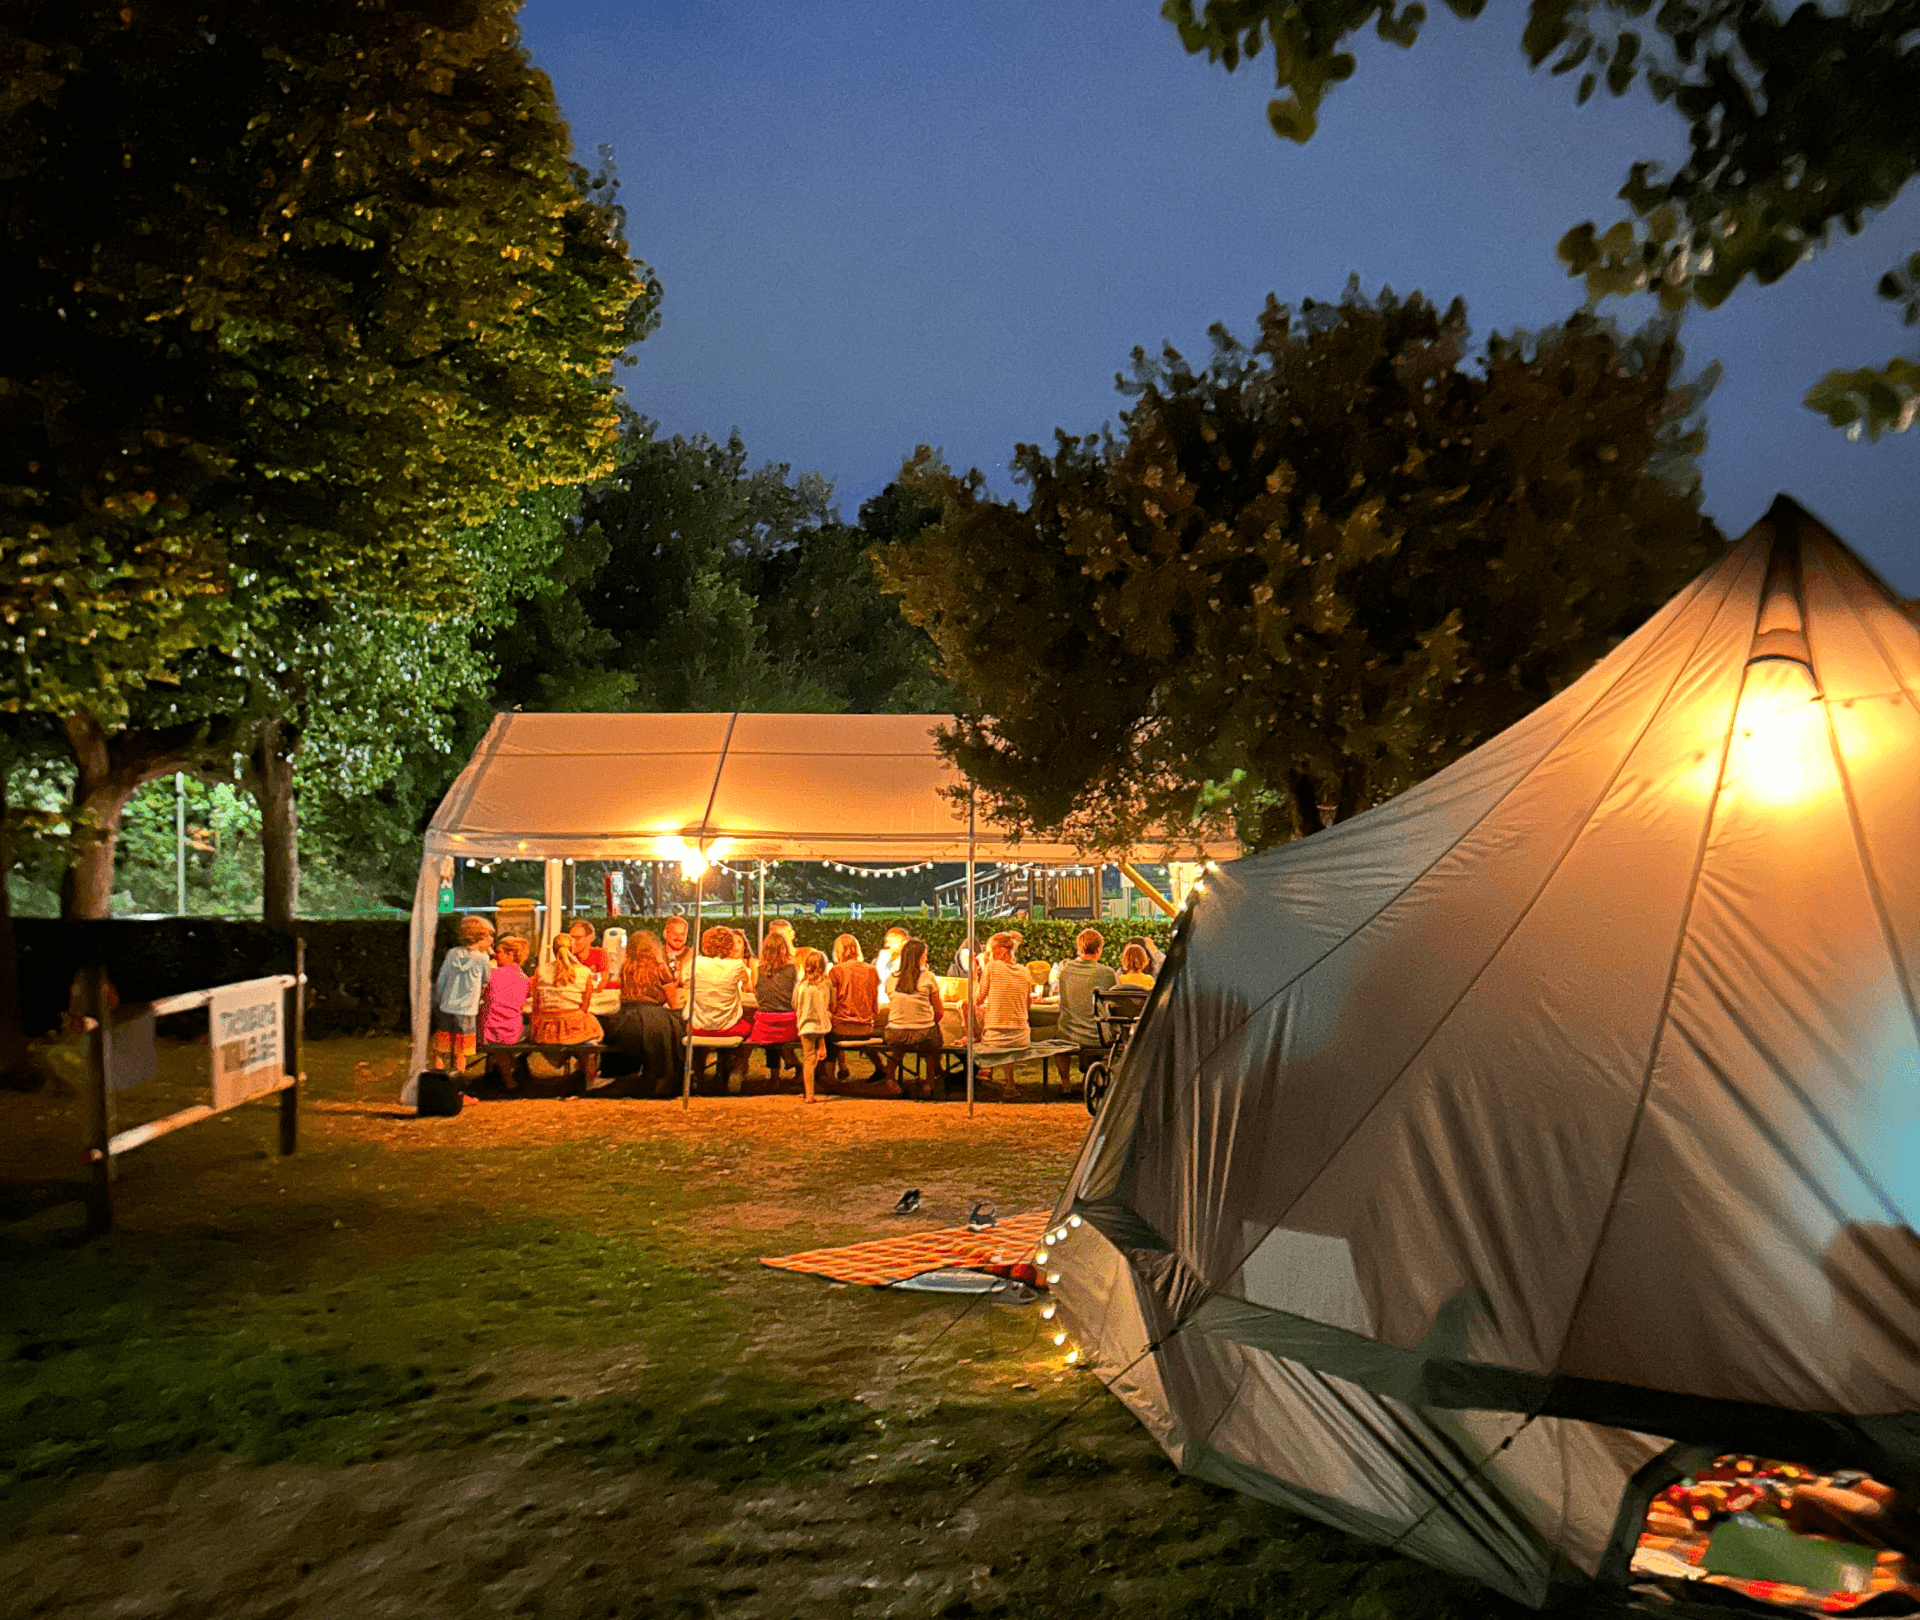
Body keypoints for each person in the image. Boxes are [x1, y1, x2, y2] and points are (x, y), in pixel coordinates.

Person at [600, 931, 685, 1094]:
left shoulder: (626, 967)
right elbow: (673, 1003)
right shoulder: (660, 967)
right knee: (679, 1022)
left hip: (626, 1018)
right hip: (654, 1017)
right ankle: (670, 1078)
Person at [530, 930, 602, 1086]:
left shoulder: (540, 970)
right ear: (573, 949)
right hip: (574, 1029)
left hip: (547, 1031)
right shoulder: (584, 972)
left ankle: (565, 1064)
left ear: (553, 950)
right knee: (593, 1030)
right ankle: (588, 1079)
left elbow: (536, 1004)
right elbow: (585, 1006)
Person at [687, 924, 754, 1091]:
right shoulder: (737, 966)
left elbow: (684, 980)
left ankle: (697, 1072)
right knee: (752, 1018)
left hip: (699, 1026)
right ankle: (738, 1068)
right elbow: (749, 986)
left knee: (691, 1020)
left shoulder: (695, 963)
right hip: (728, 1026)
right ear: (729, 946)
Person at [1051, 928, 1117, 1090]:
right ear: (1099, 950)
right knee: (1107, 1030)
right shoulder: (1107, 973)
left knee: (1059, 1041)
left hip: (1068, 1032)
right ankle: (1090, 1078)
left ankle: (1065, 1082)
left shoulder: (1065, 970)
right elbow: (1112, 1003)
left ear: (1079, 948)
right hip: (1097, 1034)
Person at [882, 936, 945, 1098]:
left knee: (897, 1046)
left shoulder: (891, 979)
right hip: (923, 1035)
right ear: (921, 957)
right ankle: (930, 1080)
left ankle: (890, 1078)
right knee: (933, 1041)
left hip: (895, 1034)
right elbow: (939, 1011)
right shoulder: (928, 978)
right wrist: (928, 1021)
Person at [431, 915, 494, 1071]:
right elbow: (486, 980)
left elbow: (442, 980)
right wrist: (488, 952)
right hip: (467, 1009)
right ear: (482, 937)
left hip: (447, 1005)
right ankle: (458, 1076)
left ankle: (438, 1073)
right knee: (461, 1050)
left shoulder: (452, 953)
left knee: (442, 1045)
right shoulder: (482, 959)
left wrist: (438, 999)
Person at [974, 931, 1031, 1099]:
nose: (987, 956)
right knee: (1007, 1026)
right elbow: (1028, 1005)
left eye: (990, 953)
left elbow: (977, 999)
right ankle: (1009, 1082)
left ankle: (982, 1067)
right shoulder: (1024, 971)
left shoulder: (992, 967)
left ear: (1002, 953)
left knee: (972, 1013)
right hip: (1021, 1037)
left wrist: (982, 972)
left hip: (995, 1036)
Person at [476, 935, 531, 1089]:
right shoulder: (524, 979)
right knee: (528, 1031)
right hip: (512, 1032)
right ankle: (513, 1072)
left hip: (487, 1032)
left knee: (496, 1032)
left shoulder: (491, 975)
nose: (495, 955)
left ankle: (509, 1077)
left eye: (498, 952)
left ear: (510, 955)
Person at [826, 934, 882, 1082]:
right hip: (866, 1028)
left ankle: (828, 1077)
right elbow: (875, 1007)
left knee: (825, 1036)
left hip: (841, 1028)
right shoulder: (872, 970)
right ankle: (881, 1068)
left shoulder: (836, 971)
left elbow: (833, 1006)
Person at [749, 931, 800, 1085]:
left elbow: (754, 992)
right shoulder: (793, 969)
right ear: (785, 949)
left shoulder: (758, 970)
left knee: (768, 1027)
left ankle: (774, 1076)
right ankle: (793, 1062)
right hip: (789, 1025)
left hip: (764, 1027)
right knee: (778, 1030)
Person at [794, 948, 833, 1104]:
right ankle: (822, 1046)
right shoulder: (826, 983)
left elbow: (795, 1004)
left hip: (805, 1025)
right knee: (816, 1050)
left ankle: (809, 1094)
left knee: (808, 1059)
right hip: (822, 1025)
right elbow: (829, 1004)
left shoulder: (801, 985)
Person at [873, 926, 910, 1008]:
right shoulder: (883, 956)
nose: (888, 945)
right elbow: (881, 977)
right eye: (887, 942)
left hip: (902, 1003)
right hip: (883, 1001)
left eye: (893, 942)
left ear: (904, 944)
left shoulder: (909, 960)